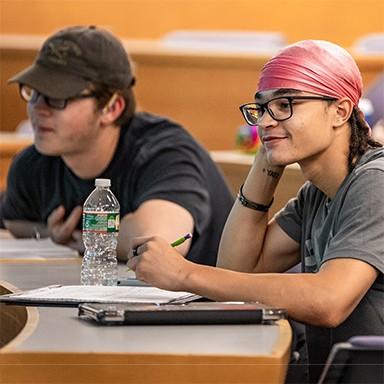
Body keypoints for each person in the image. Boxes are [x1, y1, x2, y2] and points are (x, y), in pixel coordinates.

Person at [127, 40, 384, 382]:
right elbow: (238, 268)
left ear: (340, 111)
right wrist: (268, 159)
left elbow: (327, 301)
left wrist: (184, 274)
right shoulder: (317, 194)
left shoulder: (375, 184)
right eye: (261, 109)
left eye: (285, 105)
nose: (265, 121)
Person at [2, 25, 234, 265]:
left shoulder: (164, 152)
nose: (38, 108)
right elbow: (13, 222)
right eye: (34, 92)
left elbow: (159, 242)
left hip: (207, 301)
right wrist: (50, 235)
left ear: (112, 108)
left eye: (58, 97)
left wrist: (84, 238)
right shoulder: (35, 163)